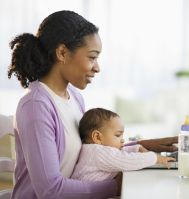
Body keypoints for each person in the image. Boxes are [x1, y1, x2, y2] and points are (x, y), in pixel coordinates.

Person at [7, 10, 177, 199]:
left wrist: (138, 145)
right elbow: (50, 191)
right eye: (92, 57)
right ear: (62, 53)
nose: (97, 67)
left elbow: (89, 149)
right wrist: (115, 186)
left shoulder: (74, 97)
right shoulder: (35, 106)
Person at [71, 108, 175, 183]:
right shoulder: (97, 152)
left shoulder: (93, 150)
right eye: (118, 135)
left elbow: (118, 154)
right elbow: (127, 160)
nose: (122, 140)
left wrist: (136, 148)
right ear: (97, 137)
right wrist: (155, 158)